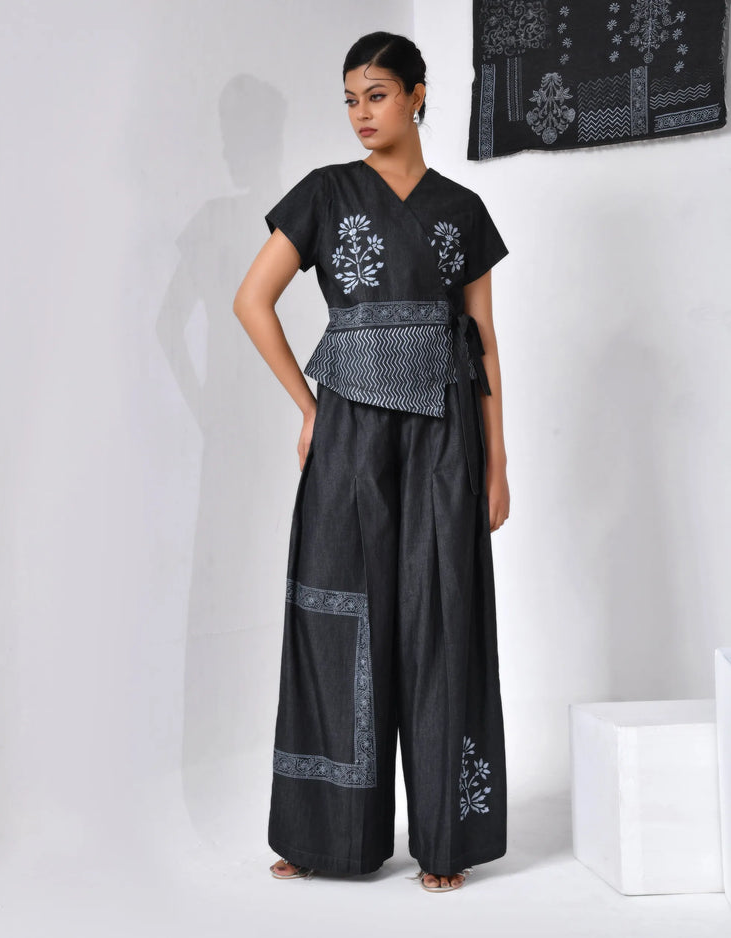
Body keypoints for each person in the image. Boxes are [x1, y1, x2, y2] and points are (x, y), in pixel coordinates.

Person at [233, 31, 511, 893]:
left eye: (378, 94)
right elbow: (252, 300)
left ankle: (445, 842)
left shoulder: (463, 208)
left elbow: (484, 340)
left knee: (441, 619)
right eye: (351, 99)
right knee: (337, 618)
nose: (361, 113)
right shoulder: (325, 192)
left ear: (418, 96)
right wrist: (310, 406)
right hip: (350, 429)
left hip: (446, 433)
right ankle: (324, 835)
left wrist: (499, 462)